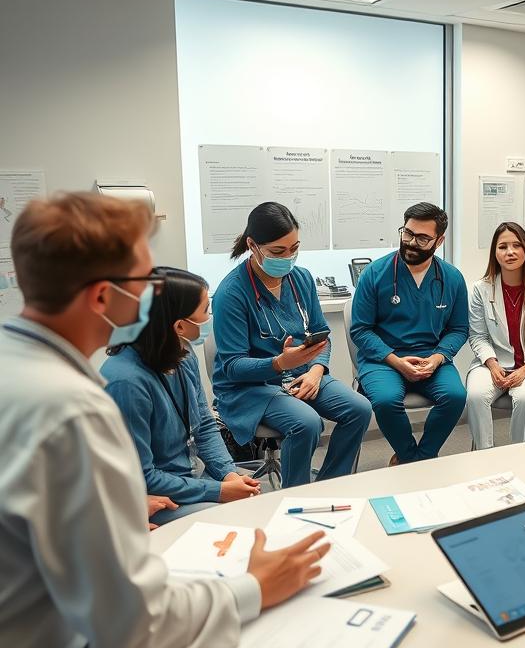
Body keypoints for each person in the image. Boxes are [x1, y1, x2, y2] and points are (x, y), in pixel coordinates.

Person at [0, 192, 329, 648]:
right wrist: (254, 589)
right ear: (106, 296)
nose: (157, 292)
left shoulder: (21, 366)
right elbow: (138, 632)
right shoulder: (73, 410)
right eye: (146, 279)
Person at [213, 202, 371, 487]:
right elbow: (233, 367)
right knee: (306, 423)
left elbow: (322, 333)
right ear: (253, 245)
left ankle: (328, 485)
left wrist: (316, 371)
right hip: (250, 387)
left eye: (294, 248)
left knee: (359, 409)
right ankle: (294, 496)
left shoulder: (301, 279)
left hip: (300, 374)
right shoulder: (231, 293)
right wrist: (279, 363)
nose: (288, 258)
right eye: (278, 252)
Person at [102, 267, 261, 526]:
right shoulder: (126, 383)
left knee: (253, 503)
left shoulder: (181, 353)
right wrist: (219, 492)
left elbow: (205, 427)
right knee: (237, 522)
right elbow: (142, 477)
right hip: (153, 498)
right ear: (179, 326)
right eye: (206, 311)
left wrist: (228, 474)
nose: (210, 317)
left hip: (188, 479)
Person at [349, 202, 469, 464]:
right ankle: (410, 457)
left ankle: (420, 457)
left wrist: (438, 357)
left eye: (423, 238)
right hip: (383, 359)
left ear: (439, 241)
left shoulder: (452, 278)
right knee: (385, 400)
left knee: (456, 397)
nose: (412, 243)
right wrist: (395, 361)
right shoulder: (374, 274)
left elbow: (459, 329)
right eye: (408, 233)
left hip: (431, 358)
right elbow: (360, 330)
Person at [465, 222, 525, 449]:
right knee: (476, 397)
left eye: (517, 245)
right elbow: (477, 336)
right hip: (490, 364)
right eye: (503, 246)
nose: (510, 252)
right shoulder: (482, 288)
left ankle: (518, 453)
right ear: (494, 253)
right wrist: (493, 365)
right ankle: (485, 455)